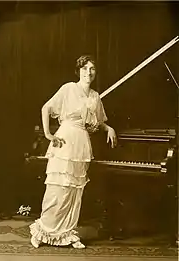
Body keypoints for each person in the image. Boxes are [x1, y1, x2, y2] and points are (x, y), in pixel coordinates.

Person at [29, 55, 117, 249]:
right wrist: (48, 134)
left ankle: (66, 234)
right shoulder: (68, 88)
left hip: (82, 144)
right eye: (85, 68)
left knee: (74, 192)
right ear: (79, 71)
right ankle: (42, 232)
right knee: (56, 189)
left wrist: (108, 128)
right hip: (65, 140)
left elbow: (98, 121)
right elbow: (46, 107)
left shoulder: (95, 96)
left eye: (92, 69)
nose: (89, 72)